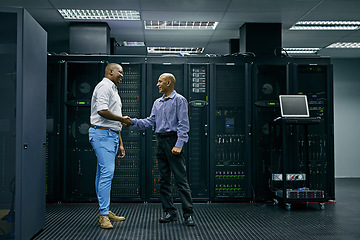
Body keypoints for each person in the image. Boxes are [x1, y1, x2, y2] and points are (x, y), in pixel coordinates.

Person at [130, 73, 195, 226]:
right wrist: (132, 122)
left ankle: (188, 214)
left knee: (181, 180)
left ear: (168, 82)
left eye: (160, 81)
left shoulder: (180, 100)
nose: (157, 84)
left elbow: (183, 124)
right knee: (164, 180)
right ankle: (169, 212)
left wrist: (179, 144)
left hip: (173, 140)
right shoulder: (157, 103)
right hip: (160, 141)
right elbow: (150, 121)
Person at [88, 63, 132, 229]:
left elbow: (114, 119)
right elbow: (102, 111)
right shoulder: (104, 87)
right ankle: (104, 215)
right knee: (107, 173)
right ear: (110, 72)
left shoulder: (113, 89)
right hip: (101, 134)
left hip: (111, 135)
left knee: (102, 174)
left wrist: (120, 143)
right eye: (120, 72)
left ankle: (104, 211)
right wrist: (122, 120)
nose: (122, 75)